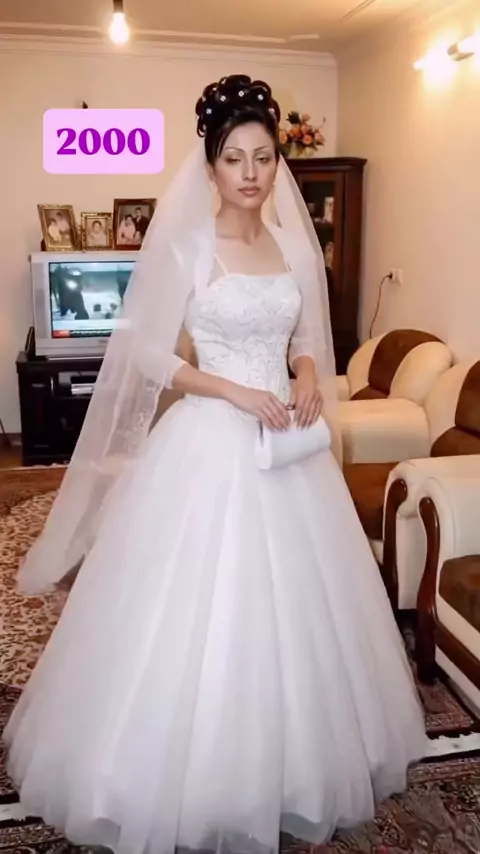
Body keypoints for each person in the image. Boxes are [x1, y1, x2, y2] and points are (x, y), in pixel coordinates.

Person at [4, 75, 426, 854]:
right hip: (209, 442)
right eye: (235, 158)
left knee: (305, 611)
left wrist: (307, 373)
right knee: (194, 608)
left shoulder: (292, 245)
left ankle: (294, 765)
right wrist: (230, 388)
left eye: (264, 157)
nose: (251, 172)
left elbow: (305, 337)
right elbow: (145, 353)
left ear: (278, 163)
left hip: (287, 446)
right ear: (210, 167)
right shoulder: (187, 248)